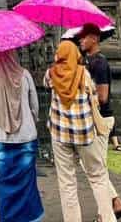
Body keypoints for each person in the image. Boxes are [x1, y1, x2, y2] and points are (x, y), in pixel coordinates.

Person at [48, 39, 116, 222]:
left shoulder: (51, 73)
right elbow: (94, 98)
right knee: (98, 176)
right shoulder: (83, 74)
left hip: (60, 133)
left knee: (67, 182)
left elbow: (47, 84)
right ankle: (108, 219)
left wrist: (57, 63)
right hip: (85, 132)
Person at [0, 50, 43, 222]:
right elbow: (35, 106)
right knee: (27, 181)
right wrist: (31, 120)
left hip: (2, 137)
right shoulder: (25, 75)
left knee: (5, 181)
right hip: (26, 136)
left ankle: (8, 218)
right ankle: (30, 218)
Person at [78, 24, 121, 218]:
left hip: (102, 118)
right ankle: (116, 202)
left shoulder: (99, 63)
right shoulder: (86, 61)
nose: (81, 41)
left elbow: (103, 97)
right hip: (93, 118)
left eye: (84, 37)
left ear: (95, 38)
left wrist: (83, 95)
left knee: (95, 169)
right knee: (94, 166)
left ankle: (106, 212)